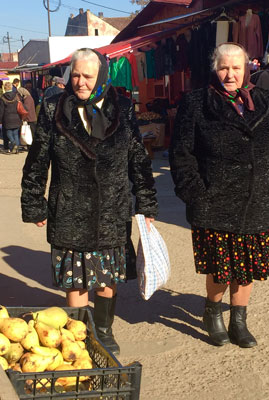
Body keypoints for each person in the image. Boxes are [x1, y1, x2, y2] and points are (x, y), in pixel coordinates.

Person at [21, 48, 158, 355]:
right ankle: (80, 334)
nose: (80, 82)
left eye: (88, 76)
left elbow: (138, 158)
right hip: (69, 205)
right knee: (76, 277)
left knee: (107, 274)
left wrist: (146, 202)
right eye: (76, 75)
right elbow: (38, 157)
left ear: (102, 76)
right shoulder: (54, 106)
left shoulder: (122, 107)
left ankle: (105, 329)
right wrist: (33, 202)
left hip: (112, 206)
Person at [169, 42, 269, 348]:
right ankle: (212, 313)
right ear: (215, 69)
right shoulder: (197, 103)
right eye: (224, 67)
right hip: (215, 202)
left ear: (247, 69)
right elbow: (181, 154)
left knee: (248, 266)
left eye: (236, 68)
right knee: (220, 265)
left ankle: (238, 319)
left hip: (258, 200)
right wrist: (195, 193)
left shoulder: (265, 100)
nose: (230, 74)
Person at [0, 81, 22, 153]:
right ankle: (17, 149)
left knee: (8, 132)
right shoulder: (16, 96)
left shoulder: (3, 97)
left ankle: (13, 142)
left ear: (5, 88)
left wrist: (0, 120)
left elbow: (1, 110)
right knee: (16, 133)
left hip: (7, 118)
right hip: (16, 117)